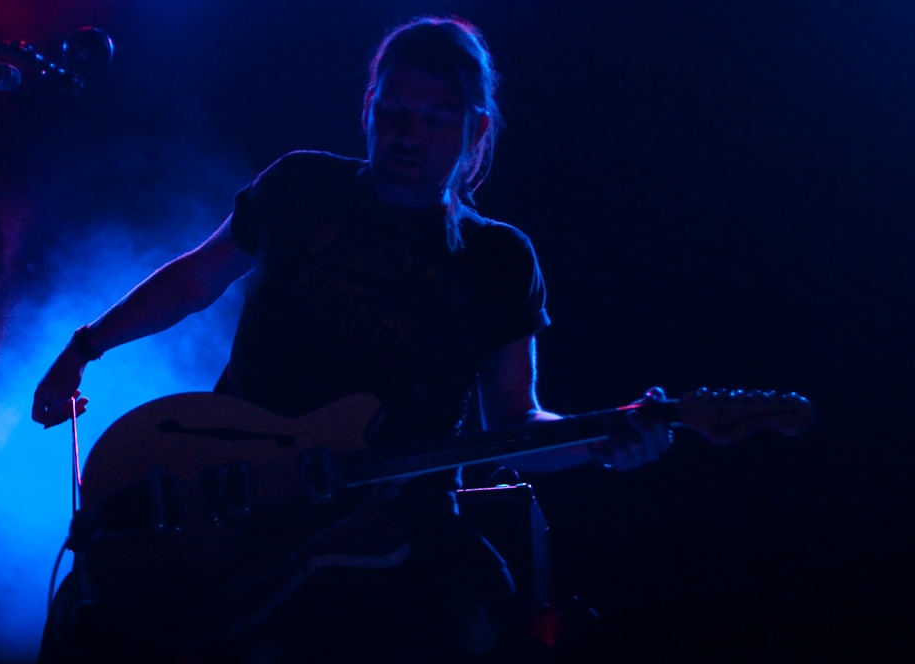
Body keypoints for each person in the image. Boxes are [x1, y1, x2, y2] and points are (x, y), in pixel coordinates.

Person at [34, 16, 671, 663]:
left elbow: (513, 419)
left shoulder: (499, 260)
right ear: (368, 107)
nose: (406, 134)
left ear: (475, 130)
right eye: (393, 109)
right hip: (235, 493)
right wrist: (84, 348)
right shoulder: (301, 187)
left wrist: (603, 442)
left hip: (386, 524)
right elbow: (198, 277)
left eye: (435, 118)